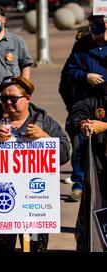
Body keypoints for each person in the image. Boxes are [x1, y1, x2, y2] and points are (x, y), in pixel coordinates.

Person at [0, 76, 70, 252]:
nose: (8, 102)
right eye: (4, 98)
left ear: (27, 98)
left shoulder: (44, 121)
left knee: (36, 248)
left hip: (36, 208)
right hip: (1, 207)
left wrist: (44, 137)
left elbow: (64, 154)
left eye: (13, 98)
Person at [59, 14, 107, 202]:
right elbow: (70, 71)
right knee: (80, 144)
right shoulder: (82, 45)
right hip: (86, 102)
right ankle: (79, 184)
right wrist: (85, 76)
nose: (98, 37)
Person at [65, 81, 107, 251]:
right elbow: (75, 116)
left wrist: (104, 126)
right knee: (94, 221)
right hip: (99, 173)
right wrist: (83, 123)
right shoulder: (97, 98)